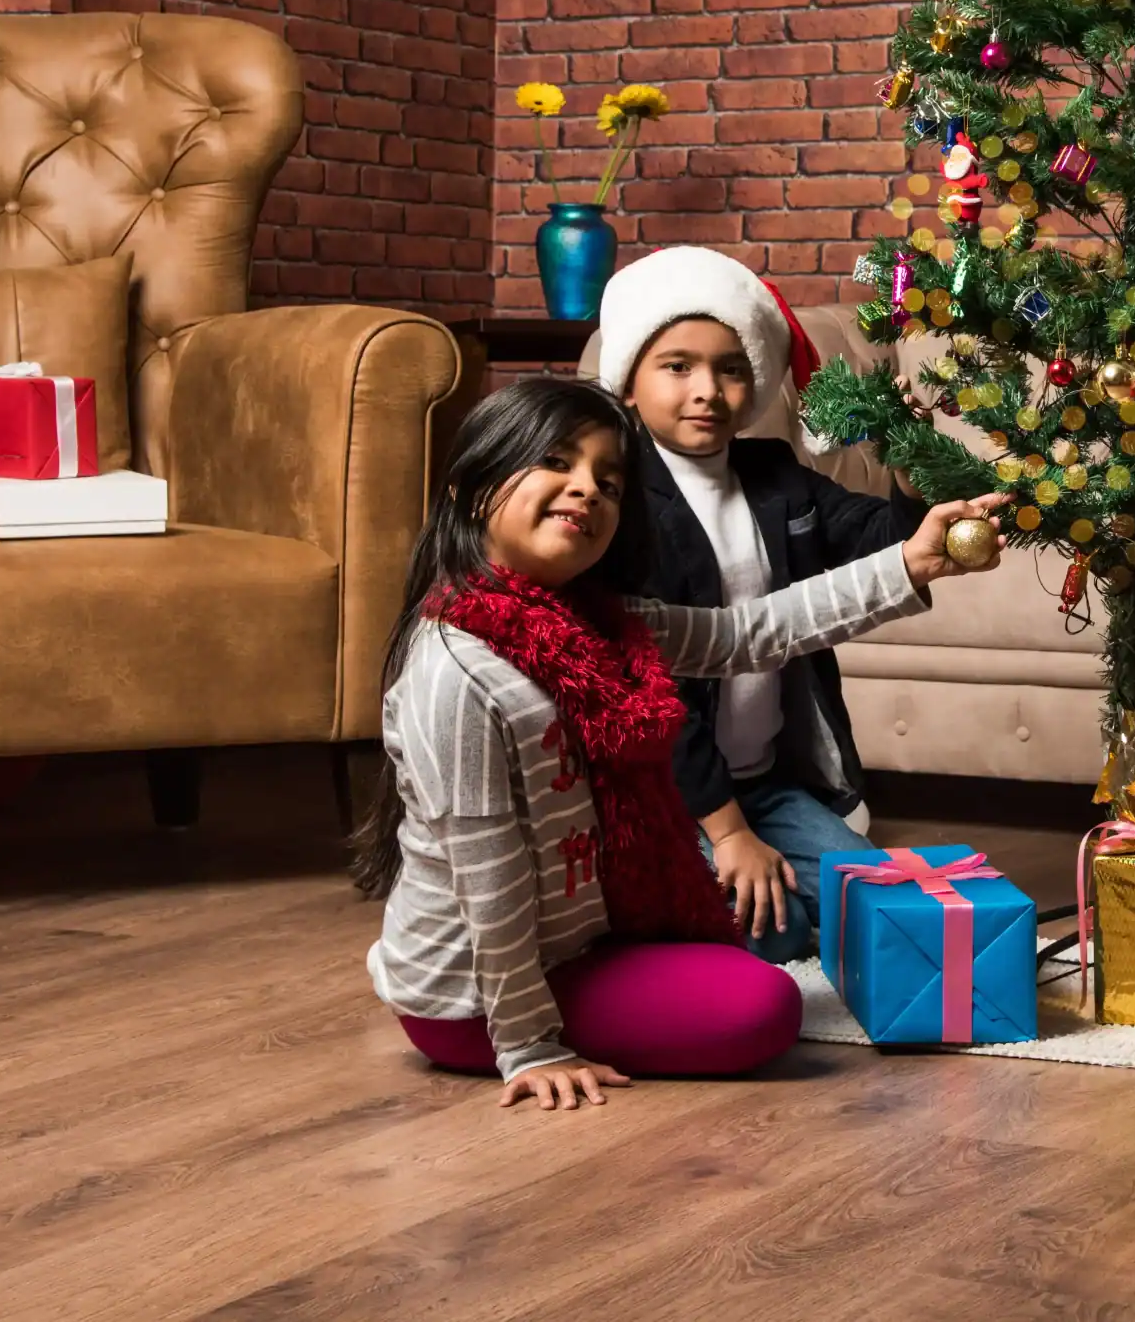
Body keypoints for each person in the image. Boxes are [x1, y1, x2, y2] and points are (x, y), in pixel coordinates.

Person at [351, 376, 1003, 1111]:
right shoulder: (457, 668)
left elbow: (750, 633)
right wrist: (531, 1044)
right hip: (473, 998)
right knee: (764, 1006)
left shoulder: (600, 621)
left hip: (575, 946)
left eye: (608, 479)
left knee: (755, 962)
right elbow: (488, 876)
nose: (587, 489)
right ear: (475, 493)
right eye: (557, 462)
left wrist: (908, 563)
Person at [593, 248, 926, 963]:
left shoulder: (773, 472)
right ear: (627, 383)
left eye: (729, 368)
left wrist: (910, 474)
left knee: (885, 900)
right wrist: (729, 835)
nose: (707, 389)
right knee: (778, 932)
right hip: (672, 799)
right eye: (677, 366)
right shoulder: (620, 503)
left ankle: (762, 881)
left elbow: (884, 540)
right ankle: (679, 894)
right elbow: (658, 697)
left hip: (768, 785)